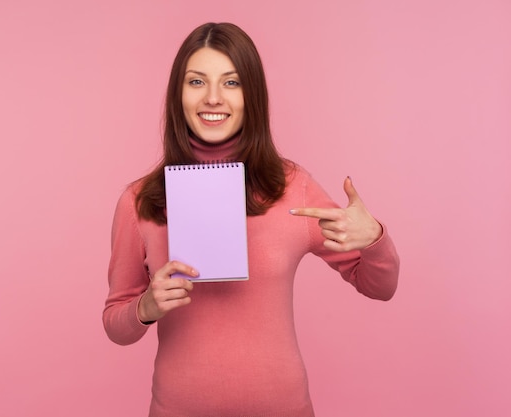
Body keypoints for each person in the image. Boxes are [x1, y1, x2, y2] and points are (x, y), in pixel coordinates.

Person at [103, 22, 399, 417]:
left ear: (252, 95)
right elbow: (115, 324)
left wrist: (374, 238)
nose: (212, 98)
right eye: (196, 82)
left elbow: (380, 287)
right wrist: (145, 307)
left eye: (231, 83)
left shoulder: (293, 186)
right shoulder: (139, 201)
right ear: (178, 94)